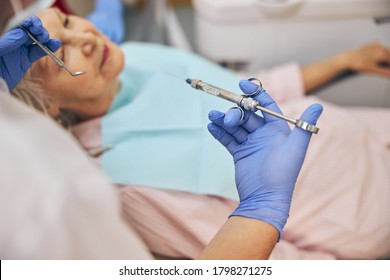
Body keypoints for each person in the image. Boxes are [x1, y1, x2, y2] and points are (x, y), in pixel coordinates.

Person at [11, 8, 390, 260]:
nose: (87, 37)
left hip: (356, 131)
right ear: (48, 107)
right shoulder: (128, 184)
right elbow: (263, 259)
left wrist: (345, 60)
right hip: (362, 214)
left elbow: (254, 90)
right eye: (59, 57)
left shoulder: (134, 56)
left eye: (69, 23)